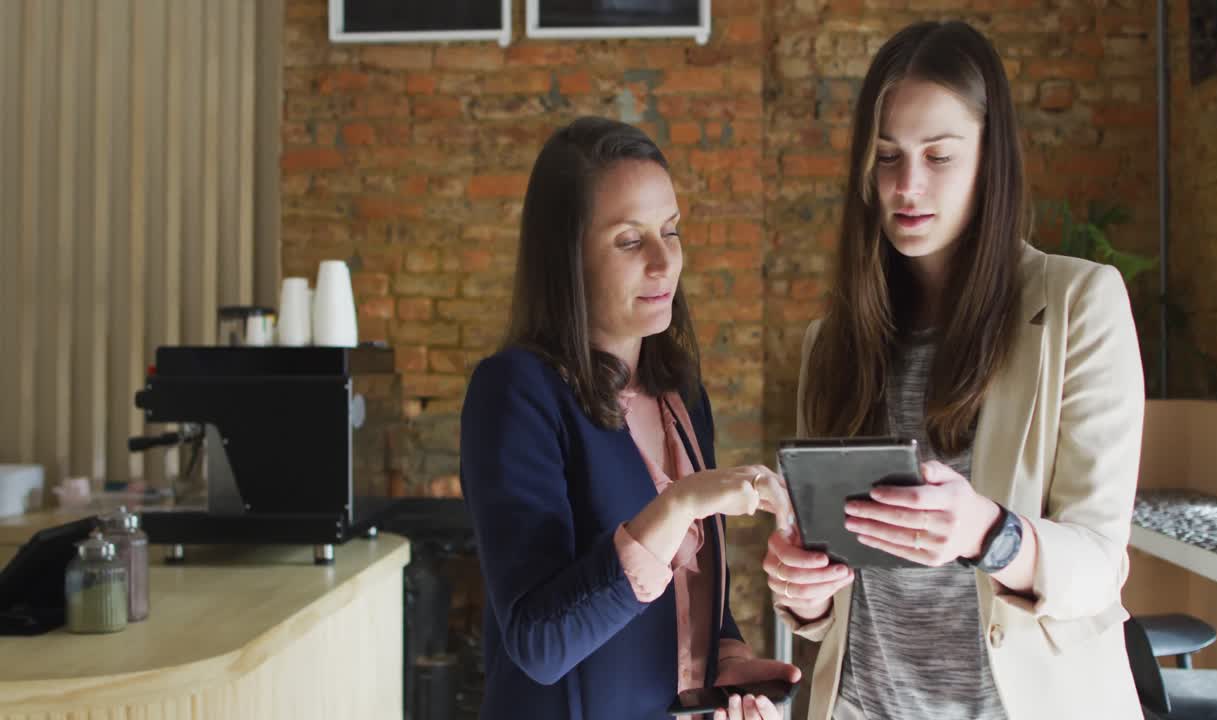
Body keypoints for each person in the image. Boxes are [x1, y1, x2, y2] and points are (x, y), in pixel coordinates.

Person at [762, 20, 1145, 720]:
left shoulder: (1080, 304)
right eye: (886, 158)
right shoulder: (832, 344)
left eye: (939, 156)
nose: (907, 186)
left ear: (991, 158)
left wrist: (988, 532)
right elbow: (829, 603)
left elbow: (1098, 564)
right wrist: (802, 588)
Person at [461, 116, 800, 720]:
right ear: (567, 259)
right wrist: (678, 505)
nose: (663, 261)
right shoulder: (515, 392)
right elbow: (539, 642)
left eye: (670, 231)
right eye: (628, 240)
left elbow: (695, 610)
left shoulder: (682, 397)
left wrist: (726, 663)